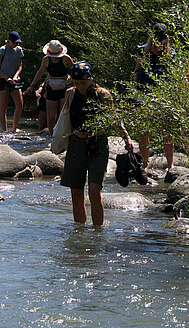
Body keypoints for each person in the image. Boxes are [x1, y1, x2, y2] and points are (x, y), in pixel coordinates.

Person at [60, 61, 133, 225]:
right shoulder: (70, 94)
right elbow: (65, 121)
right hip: (76, 144)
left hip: (98, 143)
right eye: (76, 83)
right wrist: (60, 142)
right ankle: (79, 233)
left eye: (82, 83)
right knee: (76, 193)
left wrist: (126, 138)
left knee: (94, 191)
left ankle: (97, 233)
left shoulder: (103, 95)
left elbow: (115, 119)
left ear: (90, 79)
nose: (79, 86)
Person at [133, 22, 175, 171]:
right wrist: (135, 85)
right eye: (155, 42)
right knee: (144, 130)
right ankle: (145, 164)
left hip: (163, 96)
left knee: (167, 131)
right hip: (144, 94)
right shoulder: (141, 51)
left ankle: (171, 165)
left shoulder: (170, 54)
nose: (157, 46)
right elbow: (137, 69)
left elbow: (173, 76)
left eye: (161, 42)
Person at [27, 40, 74, 135]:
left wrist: (75, 85)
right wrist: (32, 85)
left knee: (63, 114)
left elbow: (75, 71)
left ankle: (62, 135)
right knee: (51, 117)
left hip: (64, 89)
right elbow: (40, 72)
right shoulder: (46, 60)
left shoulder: (66, 59)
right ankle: (52, 136)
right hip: (51, 89)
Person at [0, 31, 24, 133]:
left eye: (17, 42)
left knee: (20, 104)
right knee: (4, 105)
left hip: (15, 79)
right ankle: (4, 130)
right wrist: (6, 78)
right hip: (2, 79)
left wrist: (15, 77)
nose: (16, 44)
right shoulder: (2, 50)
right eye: (14, 42)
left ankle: (14, 128)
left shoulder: (19, 50)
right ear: (9, 41)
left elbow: (20, 66)